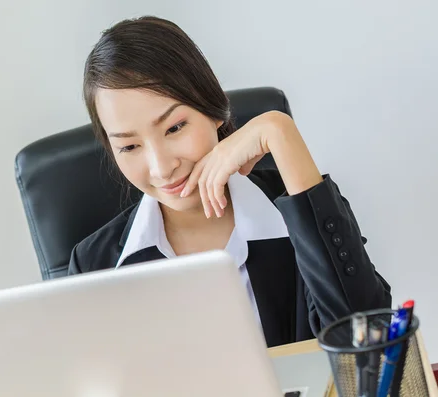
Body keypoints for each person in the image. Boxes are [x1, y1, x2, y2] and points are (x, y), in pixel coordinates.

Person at [68, 16, 391, 347]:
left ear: (213, 109)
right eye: (130, 146)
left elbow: (366, 338)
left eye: (175, 128)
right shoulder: (94, 265)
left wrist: (280, 132)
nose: (162, 168)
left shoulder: (298, 206)